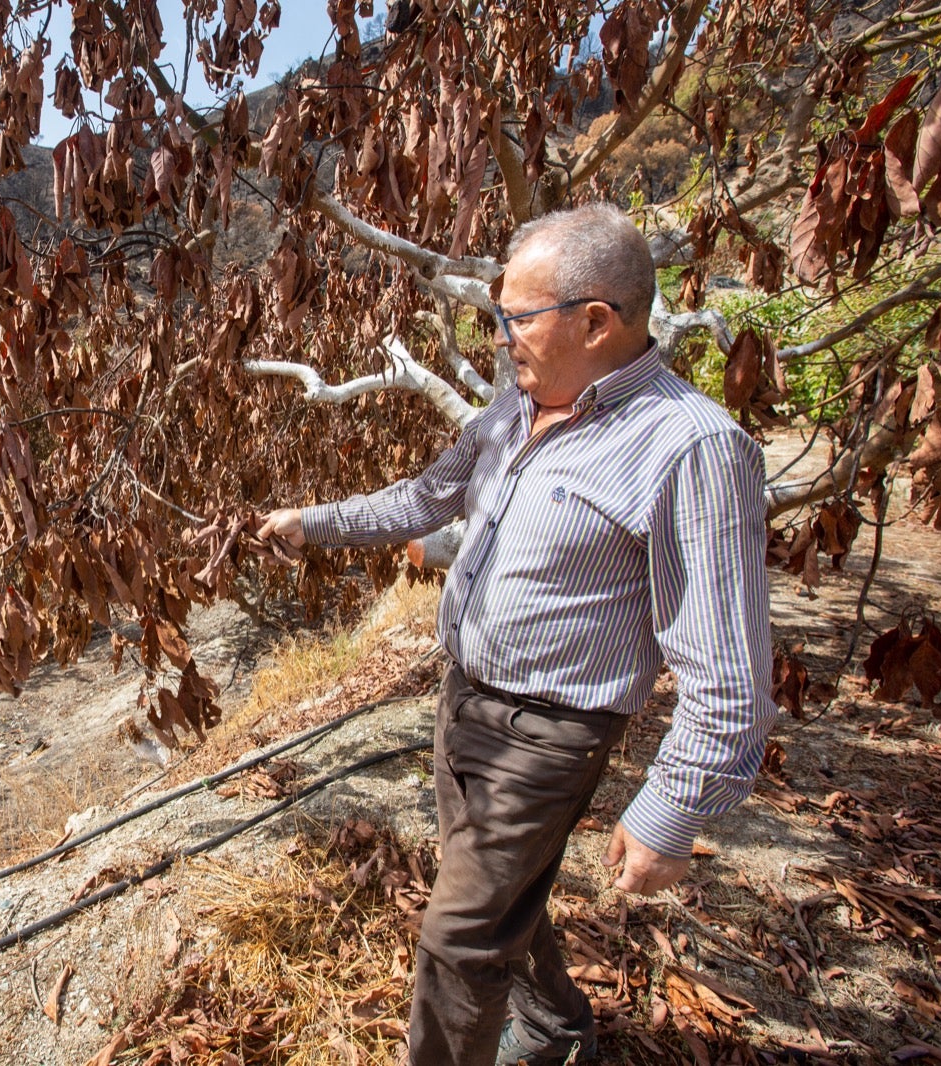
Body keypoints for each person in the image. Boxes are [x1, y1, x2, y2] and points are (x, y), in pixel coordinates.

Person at [257, 203, 777, 1066]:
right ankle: (561, 1027)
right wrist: (314, 523)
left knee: (458, 940)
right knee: (504, 904)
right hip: (463, 699)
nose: (500, 339)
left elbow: (726, 668)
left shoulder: (691, 448)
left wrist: (671, 813)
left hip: (550, 735)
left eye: (515, 318)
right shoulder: (512, 410)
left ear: (597, 322)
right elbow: (426, 499)